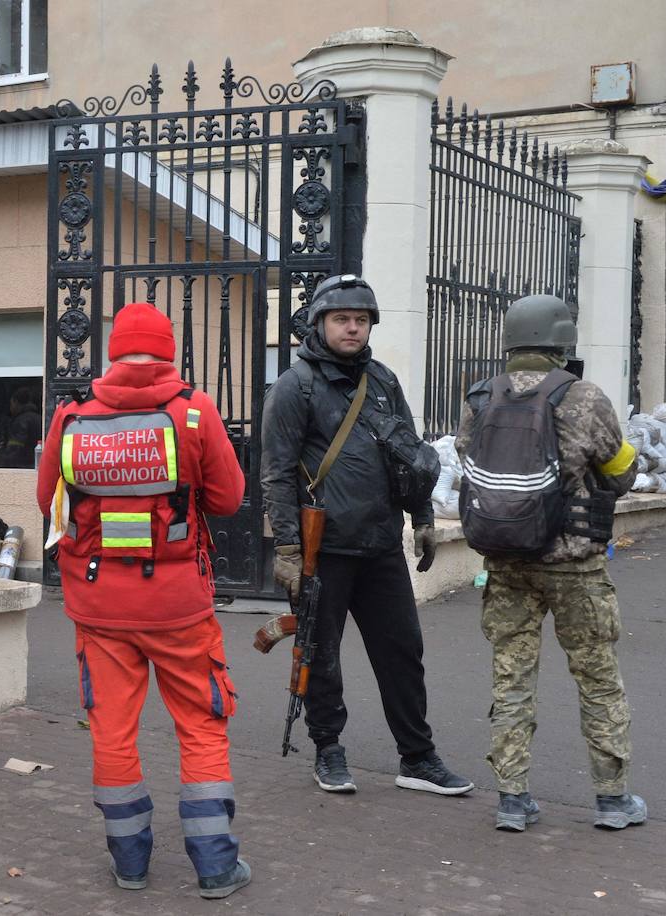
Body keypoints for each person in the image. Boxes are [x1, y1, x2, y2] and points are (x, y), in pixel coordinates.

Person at [36, 303, 250, 900]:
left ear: (112, 353)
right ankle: (214, 867)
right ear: (168, 351)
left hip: (99, 604)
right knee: (202, 728)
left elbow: (44, 496)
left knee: (111, 729)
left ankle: (129, 863)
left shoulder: (71, 416)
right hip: (179, 606)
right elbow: (229, 500)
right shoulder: (193, 411)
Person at [260, 274, 472, 797]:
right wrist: (287, 547)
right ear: (320, 323)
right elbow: (276, 473)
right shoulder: (295, 387)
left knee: (403, 652)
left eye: (361, 320)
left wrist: (422, 517)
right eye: (342, 319)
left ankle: (418, 758)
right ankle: (328, 748)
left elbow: (409, 457)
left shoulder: (382, 380)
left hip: (380, 545)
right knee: (319, 654)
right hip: (322, 549)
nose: (352, 328)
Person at [455, 294, 645, 832]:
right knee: (597, 678)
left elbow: (470, 465)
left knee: (511, 679)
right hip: (574, 568)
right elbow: (621, 471)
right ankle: (612, 800)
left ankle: (513, 801)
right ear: (562, 340)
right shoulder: (583, 396)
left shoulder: (480, 397)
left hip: (506, 563)